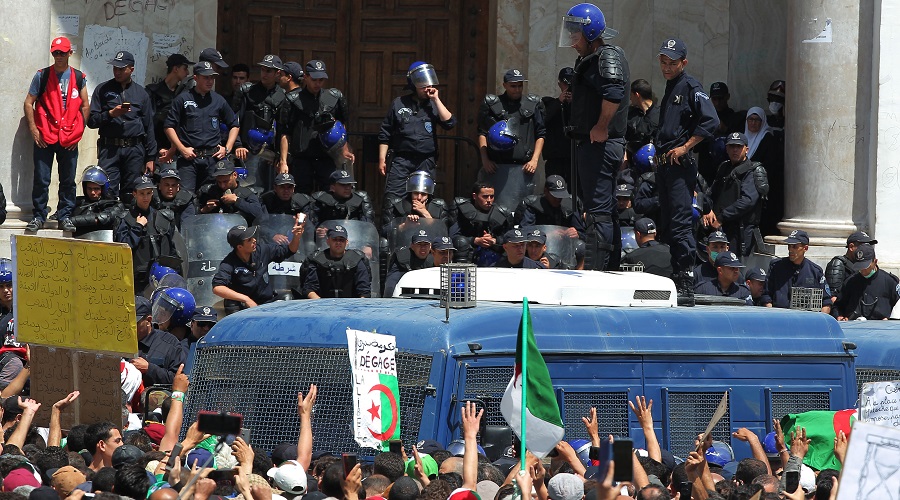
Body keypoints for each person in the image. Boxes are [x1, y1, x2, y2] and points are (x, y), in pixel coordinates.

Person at [560, 3, 629, 271]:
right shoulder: (594, 57)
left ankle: (597, 273)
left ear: (591, 33)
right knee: (604, 210)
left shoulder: (606, 56)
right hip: (594, 145)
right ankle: (608, 268)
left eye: (576, 35)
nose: (573, 42)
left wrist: (601, 125)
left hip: (600, 144)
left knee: (598, 213)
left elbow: (614, 92)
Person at [654, 38, 719, 305]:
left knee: (681, 224)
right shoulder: (670, 86)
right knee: (668, 223)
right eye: (664, 63)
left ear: (684, 63)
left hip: (680, 166)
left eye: (673, 63)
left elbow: (711, 121)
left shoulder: (691, 86)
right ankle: (675, 273)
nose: (667, 68)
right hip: (664, 166)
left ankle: (685, 279)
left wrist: (685, 146)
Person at [23, 36, 90, 233]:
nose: (58, 56)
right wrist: (34, 130)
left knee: (68, 179)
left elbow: (85, 105)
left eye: (62, 53)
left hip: (69, 137)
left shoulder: (79, 77)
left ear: (70, 53)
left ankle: (65, 215)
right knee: (42, 179)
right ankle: (39, 215)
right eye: (55, 53)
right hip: (45, 135)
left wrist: (79, 132)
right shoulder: (42, 76)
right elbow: (29, 102)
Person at [378, 61, 456, 199]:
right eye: (423, 87)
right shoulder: (399, 103)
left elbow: (449, 123)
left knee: (423, 199)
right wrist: (382, 158)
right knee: (393, 199)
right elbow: (385, 132)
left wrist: (436, 99)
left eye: (430, 86)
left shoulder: (433, 105)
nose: (428, 89)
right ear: (413, 86)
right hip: (402, 160)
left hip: (425, 161)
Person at [88, 50, 157, 203]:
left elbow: (149, 127)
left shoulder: (141, 93)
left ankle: (129, 225)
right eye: (115, 68)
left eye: (121, 69)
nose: (117, 72)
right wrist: (111, 114)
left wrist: (151, 157)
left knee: (131, 192)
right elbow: (91, 121)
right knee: (107, 190)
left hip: (134, 149)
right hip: (110, 149)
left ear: (131, 69)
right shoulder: (102, 89)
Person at [162, 61, 240, 192]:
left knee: (211, 195)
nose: (210, 81)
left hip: (212, 159)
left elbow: (234, 125)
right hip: (189, 160)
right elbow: (169, 126)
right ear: (195, 78)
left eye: (212, 77)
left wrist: (227, 148)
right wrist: (182, 149)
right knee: (186, 197)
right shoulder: (183, 99)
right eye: (206, 77)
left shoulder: (218, 100)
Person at [279, 60, 353, 194]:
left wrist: (344, 148)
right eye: (314, 80)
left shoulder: (334, 97)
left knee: (330, 195)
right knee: (301, 195)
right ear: (306, 77)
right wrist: (283, 161)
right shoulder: (292, 99)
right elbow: (285, 132)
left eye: (321, 80)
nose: (317, 84)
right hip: (302, 157)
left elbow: (342, 125)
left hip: (326, 157)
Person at [478, 69, 546, 211]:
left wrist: (534, 160)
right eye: (513, 86)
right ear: (505, 85)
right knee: (497, 211)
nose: (517, 89)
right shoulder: (493, 104)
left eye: (520, 86)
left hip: (524, 169)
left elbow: (541, 134)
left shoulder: (532, 104)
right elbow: (482, 132)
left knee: (523, 212)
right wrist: (485, 160)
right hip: (497, 167)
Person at [212, 219, 305, 311]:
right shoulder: (229, 262)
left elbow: (289, 250)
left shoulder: (262, 250)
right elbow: (218, 288)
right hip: (245, 307)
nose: (254, 240)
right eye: (249, 240)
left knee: (288, 298)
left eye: (253, 237)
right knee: (230, 304)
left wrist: (296, 237)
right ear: (240, 247)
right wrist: (246, 299)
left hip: (267, 303)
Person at [702, 132, 764, 257]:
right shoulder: (724, 167)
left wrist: (721, 217)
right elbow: (712, 192)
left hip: (739, 231)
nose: (735, 150)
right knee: (717, 264)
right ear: (726, 148)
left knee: (734, 267)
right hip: (720, 228)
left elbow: (747, 201)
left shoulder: (752, 170)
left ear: (746, 149)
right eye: (731, 146)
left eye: (738, 147)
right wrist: (707, 210)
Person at [114, 176, 179, 293]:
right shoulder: (125, 219)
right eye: (142, 193)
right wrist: (137, 227)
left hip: (162, 279)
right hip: (137, 281)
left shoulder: (162, 217)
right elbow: (123, 248)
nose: (145, 197)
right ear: (134, 194)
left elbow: (171, 249)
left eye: (148, 193)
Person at [231, 54, 287, 190]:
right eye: (262, 70)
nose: (264, 74)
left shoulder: (283, 95)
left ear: (277, 73)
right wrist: (238, 145)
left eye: (268, 71)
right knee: (251, 189)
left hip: (271, 154)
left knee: (270, 190)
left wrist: (281, 156)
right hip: (249, 151)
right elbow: (235, 121)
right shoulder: (248, 91)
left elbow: (284, 129)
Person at [766, 230, 832, 313]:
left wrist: (818, 322)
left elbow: (826, 302)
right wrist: (771, 315)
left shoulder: (815, 272)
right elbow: (766, 296)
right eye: (789, 246)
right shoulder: (776, 267)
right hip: (779, 318)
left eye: (795, 246)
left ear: (805, 248)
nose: (790, 249)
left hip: (805, 320)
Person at [450, 182, 514, 266]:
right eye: (485, 196)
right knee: (461, 242)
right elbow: (453, 236)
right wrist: (474, 240)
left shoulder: (502, 212)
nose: (489, 200)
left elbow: (511, 237)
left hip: (494, 253)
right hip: (469, 252)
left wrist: (494, 240)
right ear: (474, 196)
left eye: (492, 197)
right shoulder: (462, 210)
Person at [303, 225, 372, 299]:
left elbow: (364, 292)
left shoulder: (357, 260)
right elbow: (309, 289)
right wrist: (321, 304)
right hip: (322, 306)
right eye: (334, 239)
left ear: (346, 242)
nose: (338, 242)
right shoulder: (317, 260)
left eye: (341, 240)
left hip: (352, 307)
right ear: (328, 241)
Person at [834, 244, 900, 321]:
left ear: (875, 262)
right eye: (859, 266)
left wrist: (890, 320)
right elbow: (838, 306)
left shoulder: (889, 281)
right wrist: (839, 316)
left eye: (866, 267)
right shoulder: (850, 282)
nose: (862, 270)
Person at [146, 53, 194, 156]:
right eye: (185, 68)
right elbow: (150, 121)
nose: (187, 72)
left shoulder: (184, 94)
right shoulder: (154, 92)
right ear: (176, 69)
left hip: (181, 148)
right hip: (159, 145)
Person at [132, 296, 186, 386]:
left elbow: (179, 379)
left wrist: (149, 369)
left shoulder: (170, 344)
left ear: (148, 320)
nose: (129, 328)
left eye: (134, 324)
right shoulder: (118, 342)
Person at [196, 160, 266, 225]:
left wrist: (237, 201)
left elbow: (259, 214)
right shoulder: (209, 191)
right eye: (219, 182)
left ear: (235, 175)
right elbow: (194, 217)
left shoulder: (246, 193)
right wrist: (205, 209)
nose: (222, 186)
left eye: (225, 181)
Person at [381, 170, 451, 234]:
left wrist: (425, 214)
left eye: (423, 194)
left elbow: (443, 234)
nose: (419, 197)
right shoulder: (398, 206)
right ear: (411, 192)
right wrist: (404, 226)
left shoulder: (438, 207)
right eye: (416, 193)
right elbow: (384, 231)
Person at [311, 170, 374, 239]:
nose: (347, 188)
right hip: (327, 241)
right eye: (343, 185)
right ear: (333, 187)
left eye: (349, 184)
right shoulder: (321, 201)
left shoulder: (360, 201)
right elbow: (312, 225)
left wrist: (367, 245)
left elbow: (367, 227)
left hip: (353, 240)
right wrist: (318, 230)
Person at [69, 165, 127, 237]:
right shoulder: (77, 202)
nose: (92, 192)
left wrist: (71, 221)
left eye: (96, 189)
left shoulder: (114, 204)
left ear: (103, 189)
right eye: (89, 188)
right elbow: (59, 216)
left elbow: (104, 218)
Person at [541, 67, 575, 183]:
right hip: (555, 157)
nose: (568, 88)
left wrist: (574, 104)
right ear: (559, 84)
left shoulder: (580, 106)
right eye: (565, 84)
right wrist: (559, 102)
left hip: (574, 157)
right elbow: (543, 119)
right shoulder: (549, 103)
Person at [826, 231, 877, 306]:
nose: (866, 249)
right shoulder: (839, 264)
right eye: (862, 245)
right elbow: (833, 296)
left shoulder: (869, 264)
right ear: (851, 247)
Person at [384, 230, 434, 297]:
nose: (423, 248)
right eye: (419, 244)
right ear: (412, 246)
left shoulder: (436, 257)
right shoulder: (402, 259)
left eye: (426, 245)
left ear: (430, 246)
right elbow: (390, 287)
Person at [625, 79, 658, 156]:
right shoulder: (630, 114)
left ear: (637, 95)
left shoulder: (660, 115)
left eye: (631, 95)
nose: (630, 98)